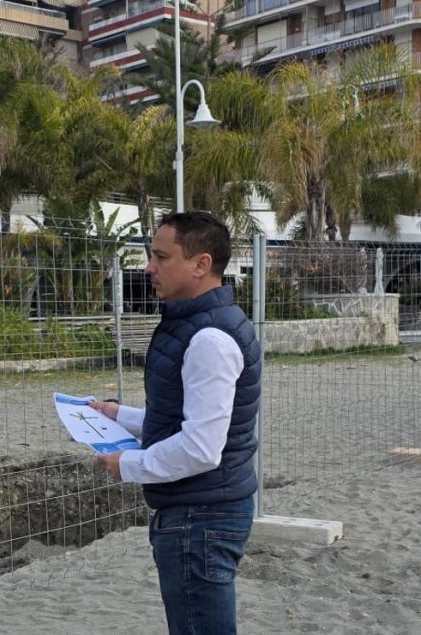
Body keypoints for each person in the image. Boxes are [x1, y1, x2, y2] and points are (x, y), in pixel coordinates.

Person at [90, 212, 261, 635]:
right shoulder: (196, 324)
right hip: (201, 510)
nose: (149, 267)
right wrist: (120, 416)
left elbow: (201, 448)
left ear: (201, 265)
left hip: (200, 516)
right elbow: (186, 419)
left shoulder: (208, 339)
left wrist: (127, 466)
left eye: (161, 257)